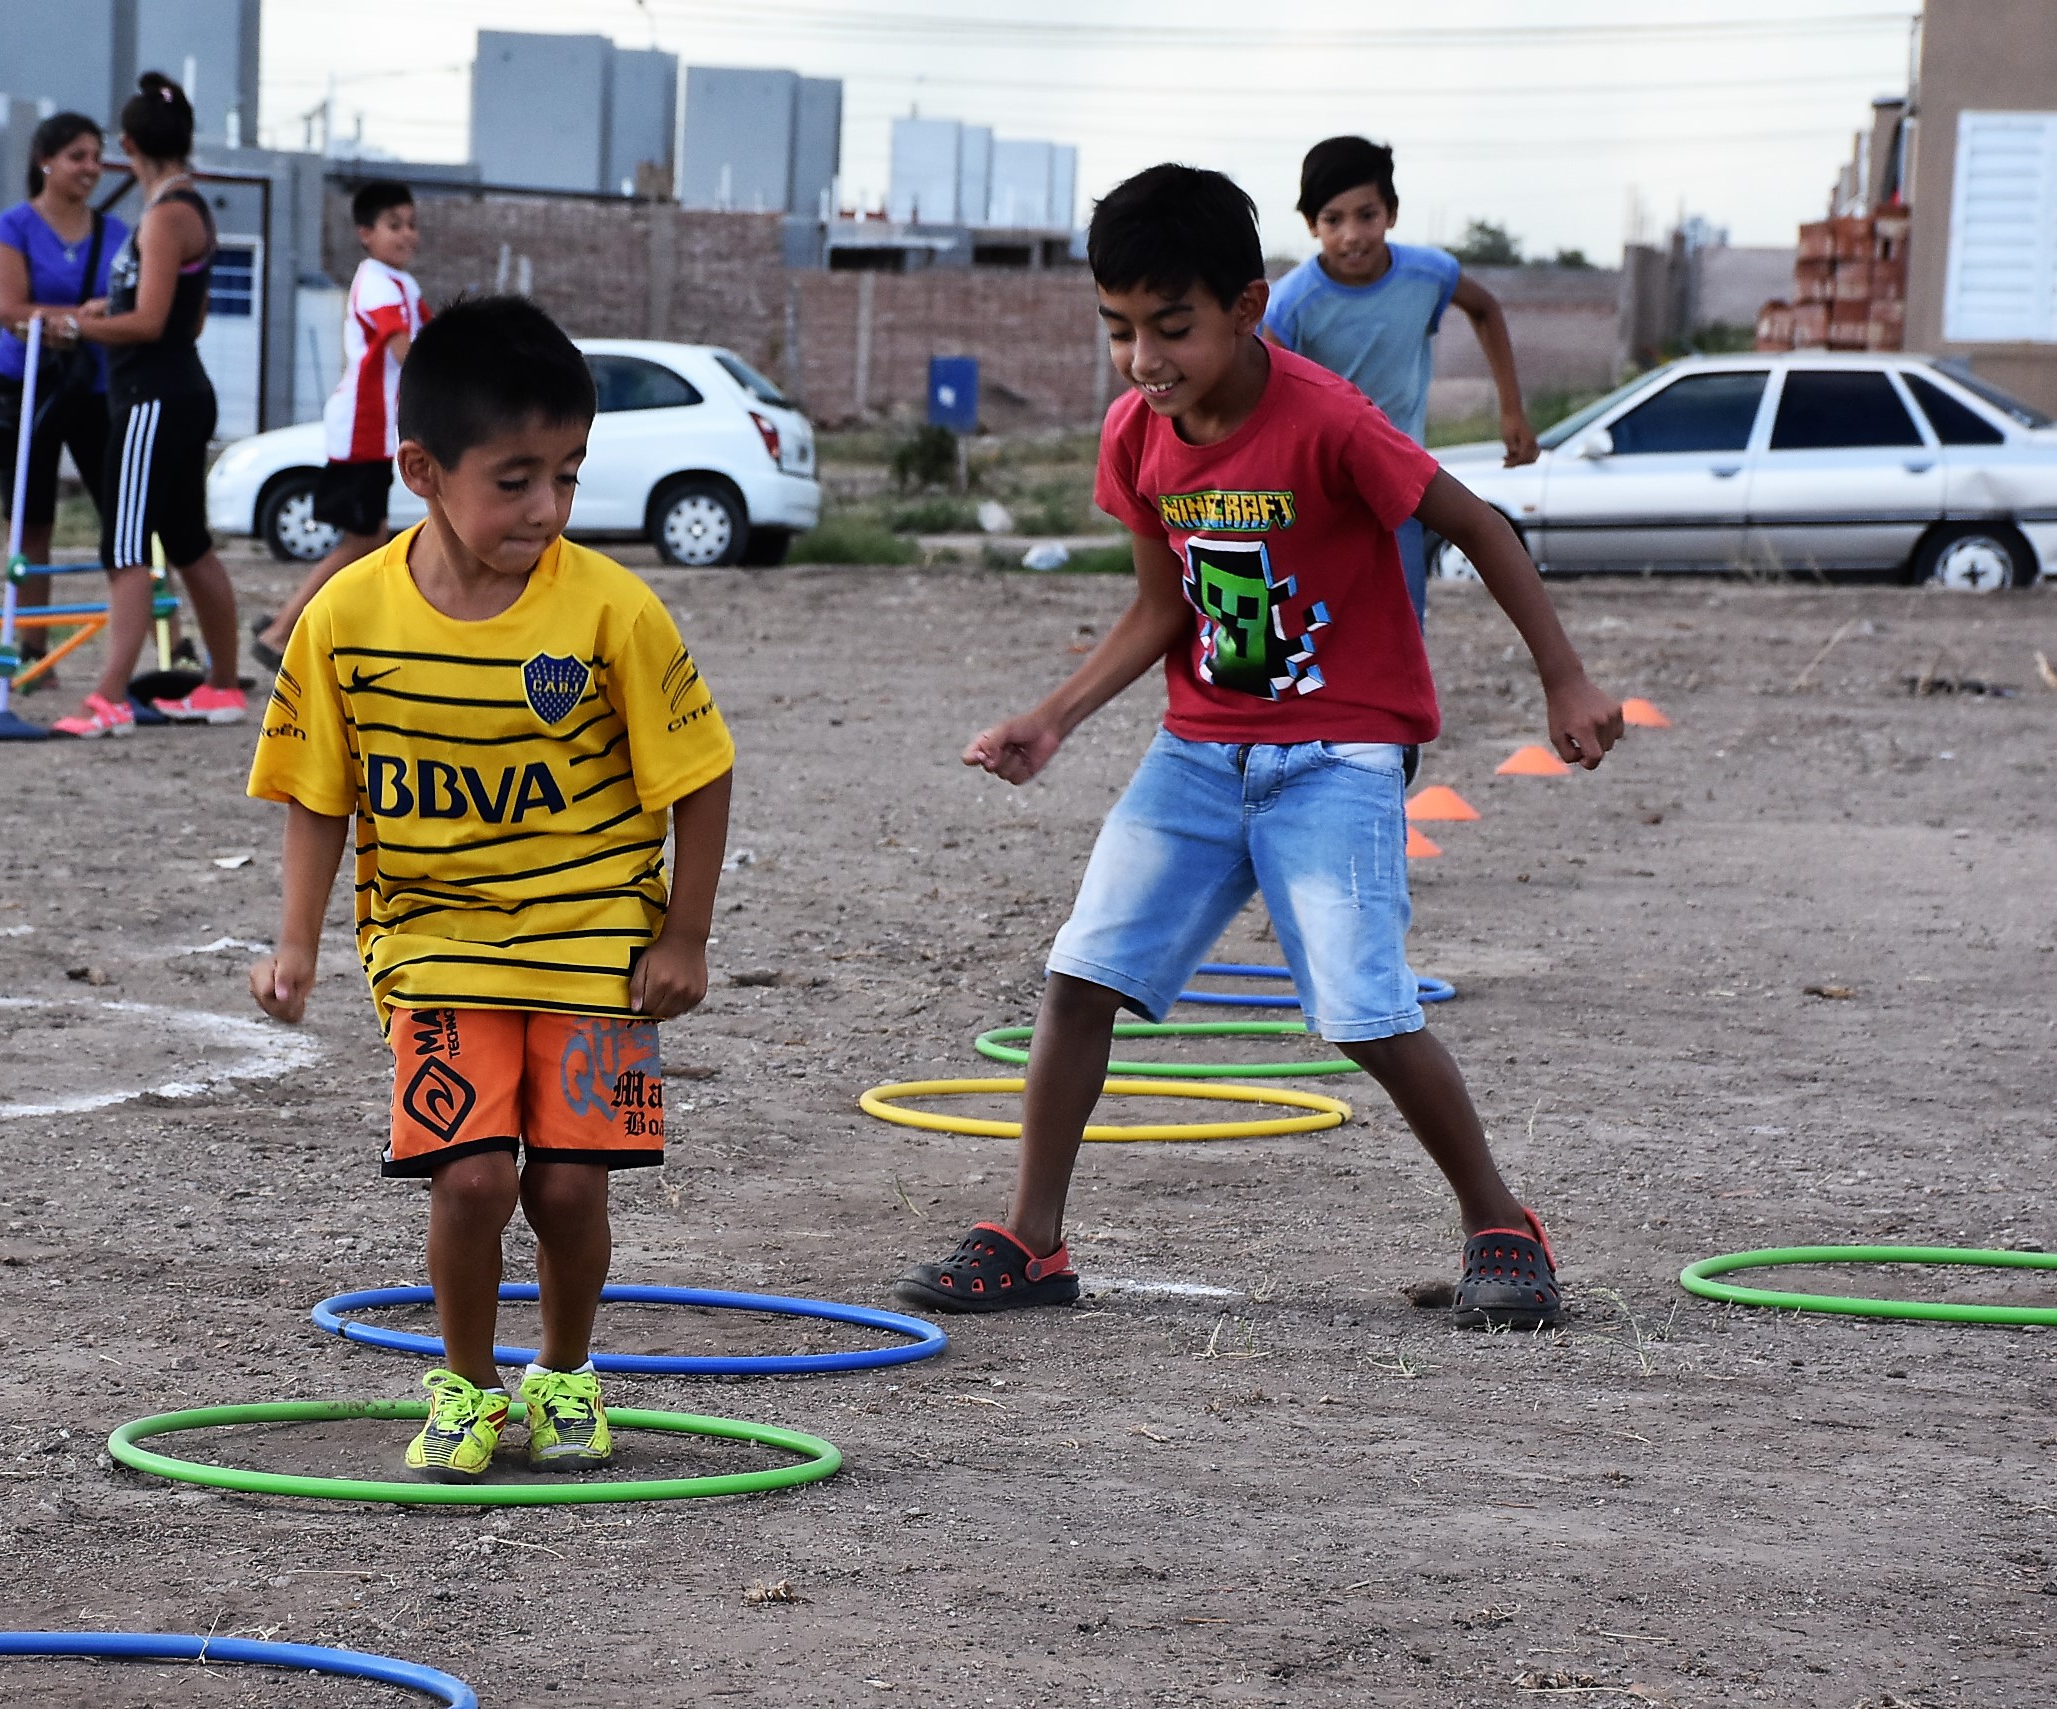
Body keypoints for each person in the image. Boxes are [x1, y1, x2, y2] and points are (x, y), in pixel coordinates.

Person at [892, 165, 1622, 1331]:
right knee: (1078, 978)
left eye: (1170, 327)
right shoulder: (1138, 436)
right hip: (1197, 751)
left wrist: (1564, 675)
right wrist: (1053, 716)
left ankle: (1501, 1220)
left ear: (1245, 305)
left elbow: (1473, 521)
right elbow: (1159, 607)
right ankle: (1032, 1239)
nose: (1144, 358)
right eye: (1119, 329)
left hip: (1337, 752)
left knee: (1362, 1007)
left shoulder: (1327, 418)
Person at [245, 296, 734, 1481]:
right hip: (434, 944)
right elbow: (321, 789)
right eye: (515, 479)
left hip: (594, 947)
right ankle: (464, 1388)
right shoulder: (346, 619)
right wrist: (296, 943)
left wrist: (686, 936)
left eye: (566, 475)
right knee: (469, 1178)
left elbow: (701, 772)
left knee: (566, 1188)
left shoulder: (613, 608)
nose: (548, 509)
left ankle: (564, 1375)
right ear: (420, 469)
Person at [1263, 136, 1539, 626]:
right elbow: (1267, 394)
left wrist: (1512, 410)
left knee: (1404, 617)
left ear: (1390, 213)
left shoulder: (1426, 274)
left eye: (1366, 215)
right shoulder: (1290, 304)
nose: (1352, 235)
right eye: (1333, 220)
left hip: (1399, 472)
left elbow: (1485, 308)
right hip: (1320, 484)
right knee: (1317, 617)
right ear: (1311, 225)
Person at [51, 72, 244, 736]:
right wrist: (116, 308)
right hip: (177, 390)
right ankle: (222, 685)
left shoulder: (165, 217)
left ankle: (107, 699)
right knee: (188, 543)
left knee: (125, 547)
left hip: (152, 400)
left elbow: (151, 325)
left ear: (125, 144)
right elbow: (184, 319)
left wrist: (79, 326)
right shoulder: (186, 207)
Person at [0, 111, 128, 679]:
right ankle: (31, 649)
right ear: (46, 159)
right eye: (78, 156)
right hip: (28, 388)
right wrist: (79, 318)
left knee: (124, 516)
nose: (91, 168)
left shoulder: (116, 233)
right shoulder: (12, 225)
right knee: (31, 521)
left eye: (97, 156)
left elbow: (128, 306)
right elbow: (10, 311)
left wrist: (78, 323)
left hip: (95, 386)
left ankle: (154, 644)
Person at [252, 178, 426, 665]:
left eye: (412, 225)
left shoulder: (402, 283)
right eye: (395, 225)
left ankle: (310, 625)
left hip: (382, 427)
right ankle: (281, 632)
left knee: (370, 538)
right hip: (364, 426)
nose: (407, 234)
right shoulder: (374, 282)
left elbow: (433, 337)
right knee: (364, 539)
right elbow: (405, 350)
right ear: (365, 233)